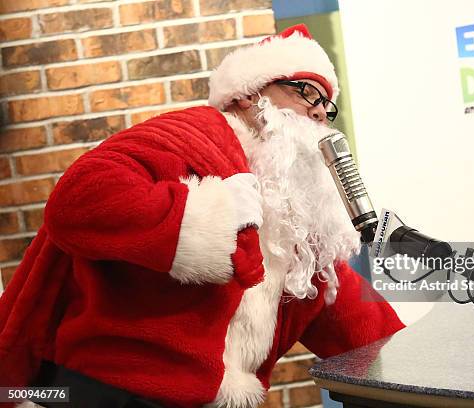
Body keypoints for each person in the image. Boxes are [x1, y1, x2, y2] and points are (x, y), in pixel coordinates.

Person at [0, 25, 404, 408]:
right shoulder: (193, 133)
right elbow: (78, 200)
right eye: (306, 93)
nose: (319, 114)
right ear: (249, 95)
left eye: (326, 106)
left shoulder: (290, 204)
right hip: (108, 393)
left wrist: (413, 367)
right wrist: (203, 219)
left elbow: (350, 314)